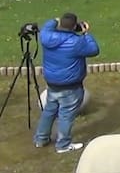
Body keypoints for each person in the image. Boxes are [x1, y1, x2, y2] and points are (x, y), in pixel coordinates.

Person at [34, 12, 100, 153]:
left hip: (52, 84)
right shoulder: (77, 42)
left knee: (49, 111)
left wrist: (57, 20)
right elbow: (94, 50)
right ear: (74, 26)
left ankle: (41, 139)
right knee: (66, 115)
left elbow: (47, 25)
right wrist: (86, 33)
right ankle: (63, 145)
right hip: (71, 86)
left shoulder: (46, 36)